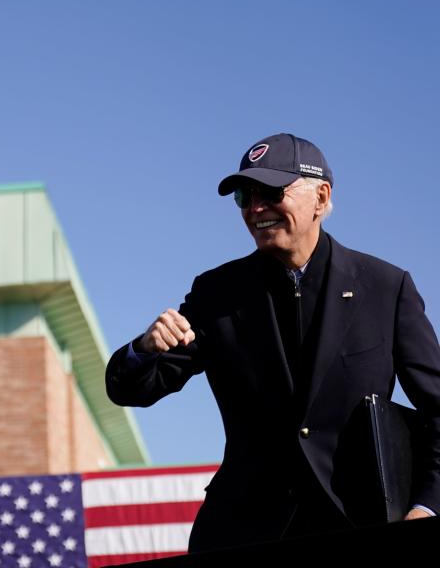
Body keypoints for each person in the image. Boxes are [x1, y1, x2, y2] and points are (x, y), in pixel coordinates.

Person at [105, 133, 440, 551]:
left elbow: (437, 411)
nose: (255, 208)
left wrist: (426, 505)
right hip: (242, 529)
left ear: (321, 197)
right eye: (244, 196)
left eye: (271, 192)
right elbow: (131, 389)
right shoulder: (216, 294)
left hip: (359, 517)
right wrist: (144, 349)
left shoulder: (387, 288)